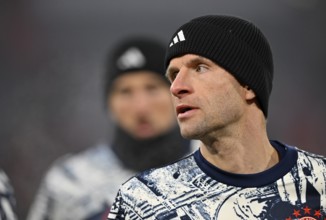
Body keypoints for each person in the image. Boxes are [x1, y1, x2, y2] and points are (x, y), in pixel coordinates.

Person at [107, 15, 326, 220]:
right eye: (174, 75)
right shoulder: (140, 201)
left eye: (200, 68)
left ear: (248, 85)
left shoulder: (321, 181)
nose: (176, 87)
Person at [27, 36, 196, 220]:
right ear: (109, 104)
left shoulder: (221, 168)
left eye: (152, 88)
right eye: (125, 92)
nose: (141, 107)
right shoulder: (71, 182)